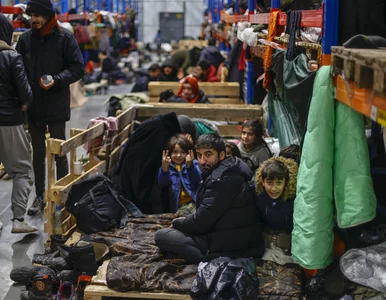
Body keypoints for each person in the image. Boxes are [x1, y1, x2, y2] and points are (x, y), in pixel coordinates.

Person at [16, 0, 84, 216]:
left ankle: (62, 196)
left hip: (56, 104)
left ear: (47, 15)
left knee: (59, 151)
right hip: (33, 105)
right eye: (31, 15)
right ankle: (39, 197)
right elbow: (17, 69)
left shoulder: (65, 38)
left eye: (37, 15)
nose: (33, 20)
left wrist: (56, 79)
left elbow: (77, 68)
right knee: (37, 154)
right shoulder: (26, 39)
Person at [155, 133, 265, 264]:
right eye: (199, 155)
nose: (202, 161)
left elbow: (201, 223)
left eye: (208, 155)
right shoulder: (225, 170)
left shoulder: (222, 180)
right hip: (230, 234)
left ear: (221, 155)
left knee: (161, 236)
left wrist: (179, 223)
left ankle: (209, 258)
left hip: (233, 245)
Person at [0, 14, 37, 233]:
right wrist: (24, 104)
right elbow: (26, 93)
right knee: (22, 170)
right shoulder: (11, 56)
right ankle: (18, 220)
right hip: (8, 121)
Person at [255, 157, 298, 265]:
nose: (274, 189)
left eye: (279, 183)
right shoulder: (256, 195)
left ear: (286, 183)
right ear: (263, 182)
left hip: (288, 244)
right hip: (264, 244)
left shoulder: (294, 198)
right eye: (269, 182)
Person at [158, 134, 202, 215]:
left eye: (183, 152)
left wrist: (190, 166)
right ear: (169, 153)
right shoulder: (168, 166)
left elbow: (197, 179)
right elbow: (163, 183)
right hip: (177, 205)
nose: (178, 155)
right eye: (175, 152)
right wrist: (164, 169)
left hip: (193, 202)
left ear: (189, 153)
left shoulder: (193, 163)